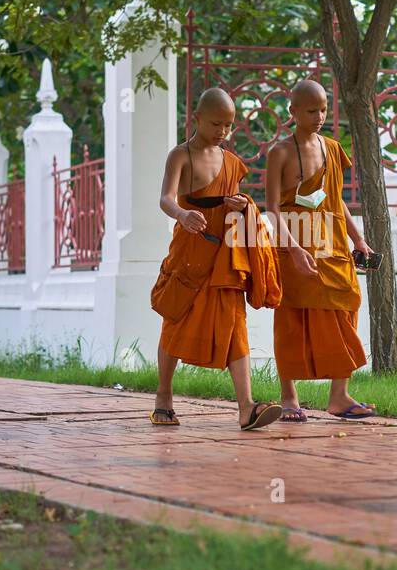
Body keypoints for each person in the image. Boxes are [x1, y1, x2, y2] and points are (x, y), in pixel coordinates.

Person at [150, 87, 283, 430]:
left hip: (225, 256)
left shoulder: (230, 161)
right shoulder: (180, 156)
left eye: (228, 125)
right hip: (190, 253)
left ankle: (247, 407)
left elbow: (235, 200)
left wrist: (242, 206)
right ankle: (163, 396)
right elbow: (165, 198)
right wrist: (181, 213)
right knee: (175, 321)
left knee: (235, 326)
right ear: (196, 118)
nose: (222, 131)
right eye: (216, 124)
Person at [264, 79, 375, 421]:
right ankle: (289, 397)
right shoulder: (280, 152)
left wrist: (358, 239)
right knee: (292, 320)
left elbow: (335, 198)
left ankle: (339, 396)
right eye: (311, 110)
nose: (319, 116)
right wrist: (294, 249)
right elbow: (272, 208)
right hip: (293, 245)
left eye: (324, 109)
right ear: (293, 111)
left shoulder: (330, 148)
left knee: (346, 309)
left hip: (332, 247)